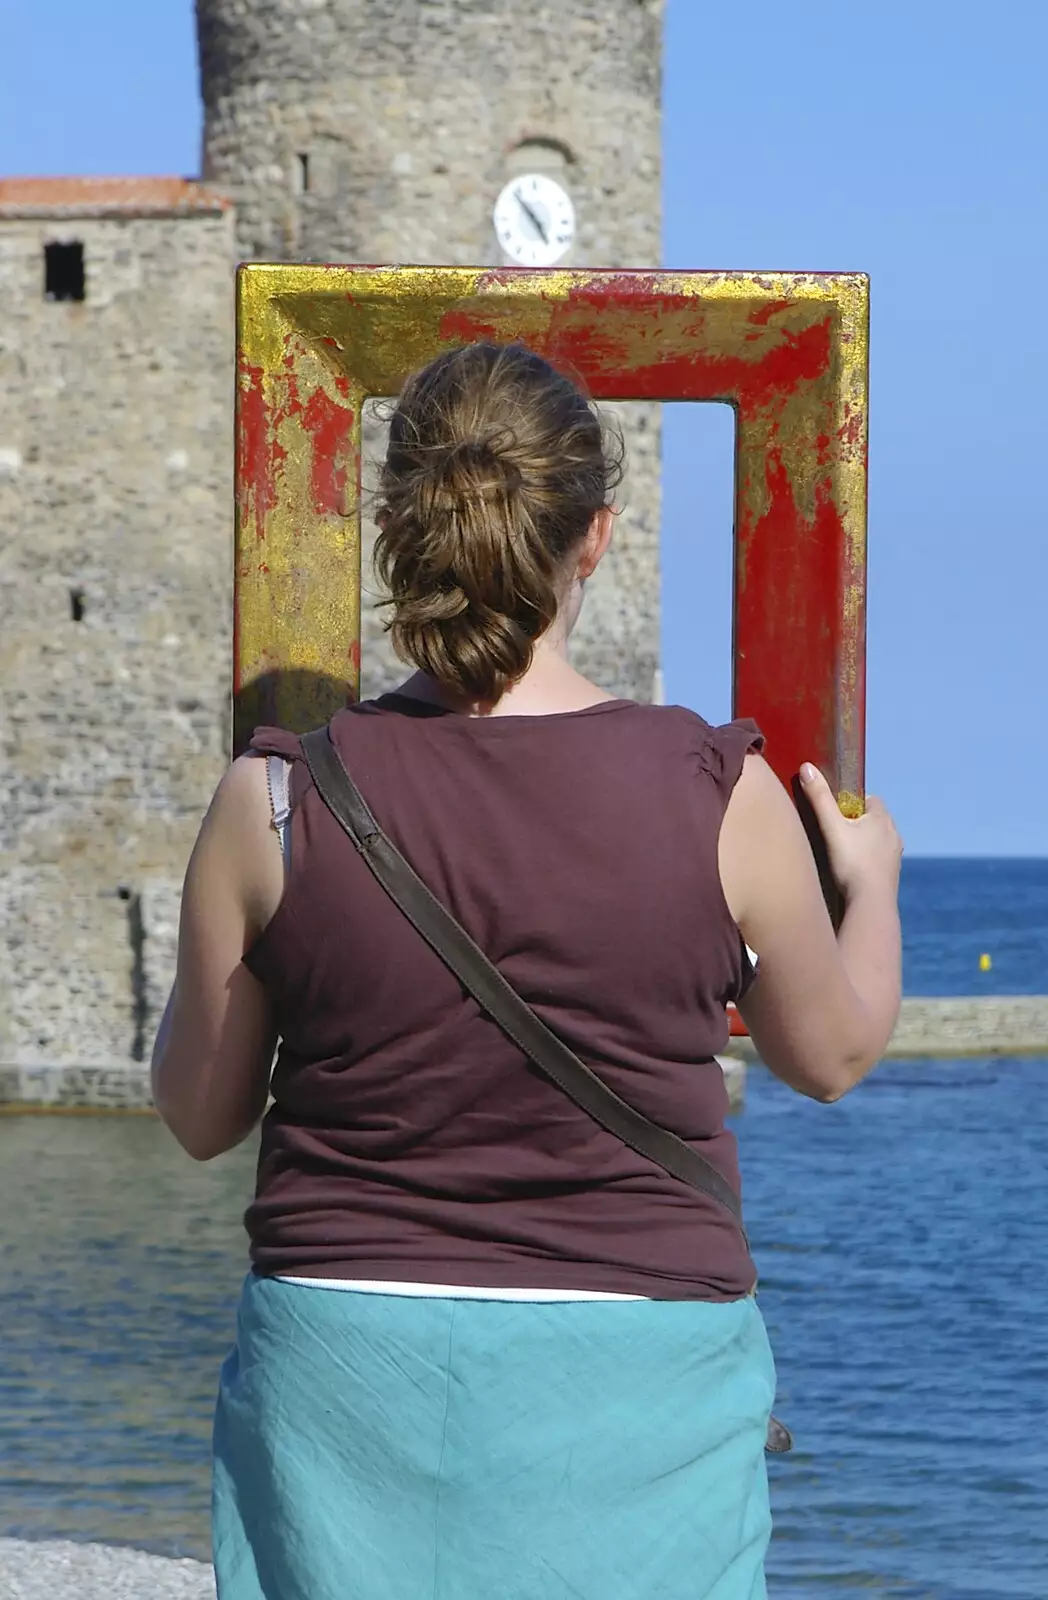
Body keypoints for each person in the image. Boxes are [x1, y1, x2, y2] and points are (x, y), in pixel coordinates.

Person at [151, 341, 903, 1600]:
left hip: (346, 1358)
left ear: (396, 523)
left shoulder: (275, 797)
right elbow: (828, 1055)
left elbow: (198, 1113)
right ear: (594, 536)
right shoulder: (720, 791)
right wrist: (872, 882)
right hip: (638, 1358)